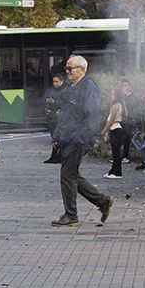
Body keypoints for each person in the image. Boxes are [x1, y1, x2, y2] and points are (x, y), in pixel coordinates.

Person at [52, 55, 113, 227]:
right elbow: (65, 115)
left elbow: (92, 115)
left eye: (70, 68)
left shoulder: (88, 87)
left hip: (76, 138)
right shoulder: (73, 87)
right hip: (69, 137)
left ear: (82, 70)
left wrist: (83, 139)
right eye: (66, 68)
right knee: (73, 176)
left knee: (67, 176)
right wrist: (57, 135)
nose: (67, 72)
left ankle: (71, 215)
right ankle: (102, 201)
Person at [100, 87, 128, 179]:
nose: (111, 96)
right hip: (117, 129)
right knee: (115, 152)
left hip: (115, 129)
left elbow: (111, 120)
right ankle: (113, 170)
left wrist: (104, 130)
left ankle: (117, 172)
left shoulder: (115, 106)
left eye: (112, 94)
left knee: (116, 153)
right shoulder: (120, 105)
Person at [43, 73, 65, 164]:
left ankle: (58, 155)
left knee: (58, 136)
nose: (55, 83)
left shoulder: (64, 91)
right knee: (54, 136)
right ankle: (55, 155)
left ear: (61, 81)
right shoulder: (51, 91)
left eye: (57, 82)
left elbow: (64, 103)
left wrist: (54, 102)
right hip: (51, 115)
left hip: (59, 116)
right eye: (54, 82)